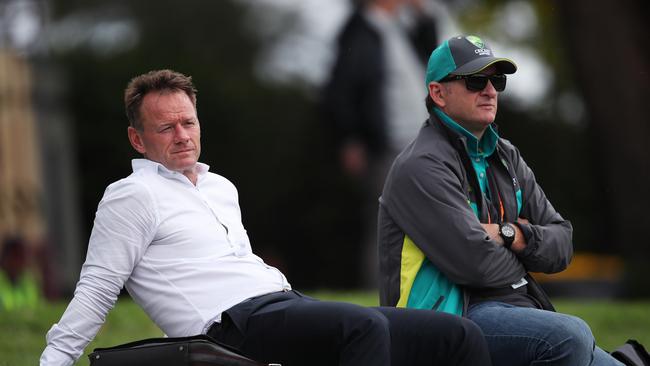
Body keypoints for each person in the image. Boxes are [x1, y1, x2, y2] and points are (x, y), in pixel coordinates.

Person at [40, 69, 491, 366]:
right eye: (165, 128)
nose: (182, 136)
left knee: (455, 335)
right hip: (228, 326)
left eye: (189, 123)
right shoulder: (130, 196)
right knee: (365, 328)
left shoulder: (220, 187)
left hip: (284, 304)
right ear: (137, 140)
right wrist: (55, 359)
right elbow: (98, 286)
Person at [377, 35, 629, 365]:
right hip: (446, 324)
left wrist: (508, 234)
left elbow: (562, 243)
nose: (490, 90)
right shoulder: (421, 166)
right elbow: (476, 264)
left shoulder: (506, 155)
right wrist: (526, 257)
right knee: (571, 336)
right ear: (438, 93)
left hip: (513, 309)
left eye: (496, 80)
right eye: (475, 80)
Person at [321, 0, 438, 287]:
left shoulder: (402, 28)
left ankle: (430, 292)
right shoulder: (357, 32)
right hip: (387, 145)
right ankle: (382, 292)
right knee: (388, 223)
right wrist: (350, 139)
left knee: (436, 218)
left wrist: (422, 13)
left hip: (425, 138)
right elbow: (341, 90)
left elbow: (435, 58)